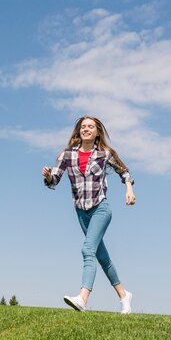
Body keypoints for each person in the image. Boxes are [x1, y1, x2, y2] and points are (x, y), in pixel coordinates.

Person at [41, 116, 136, 314]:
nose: (86, 129)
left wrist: (129, 189)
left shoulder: (104, 154)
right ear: (78, 131)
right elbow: (55, 179)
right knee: (101, 256)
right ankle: (123, 295)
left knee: (87, 250)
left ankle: (82, 299)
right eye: (83, 127)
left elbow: (124, 171)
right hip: (81, 212)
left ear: (97, 132)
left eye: (90, 127)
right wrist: (49, 175)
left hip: (100, 208)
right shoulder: (67, 155)